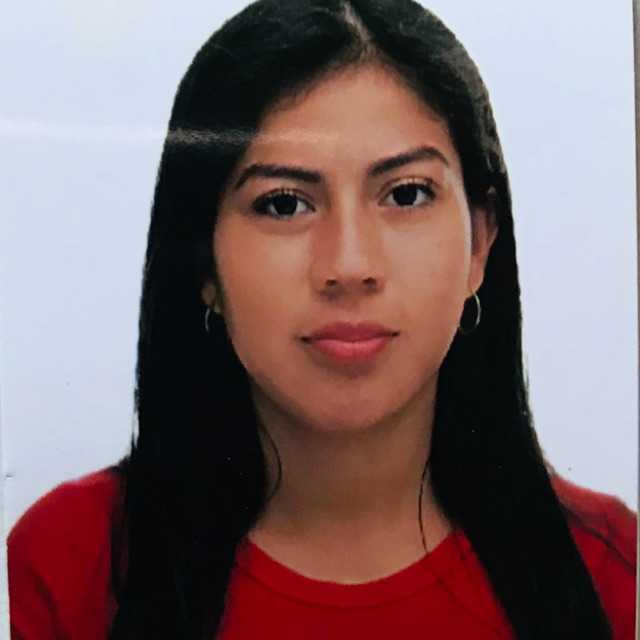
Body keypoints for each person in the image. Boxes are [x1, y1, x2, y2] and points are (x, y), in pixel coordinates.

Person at [7, 0, 636, 638]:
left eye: (407, 194)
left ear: (481, 243)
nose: (349, 265)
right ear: (203, 263)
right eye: (284, 204)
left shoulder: (614, 569)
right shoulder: (66, 562)